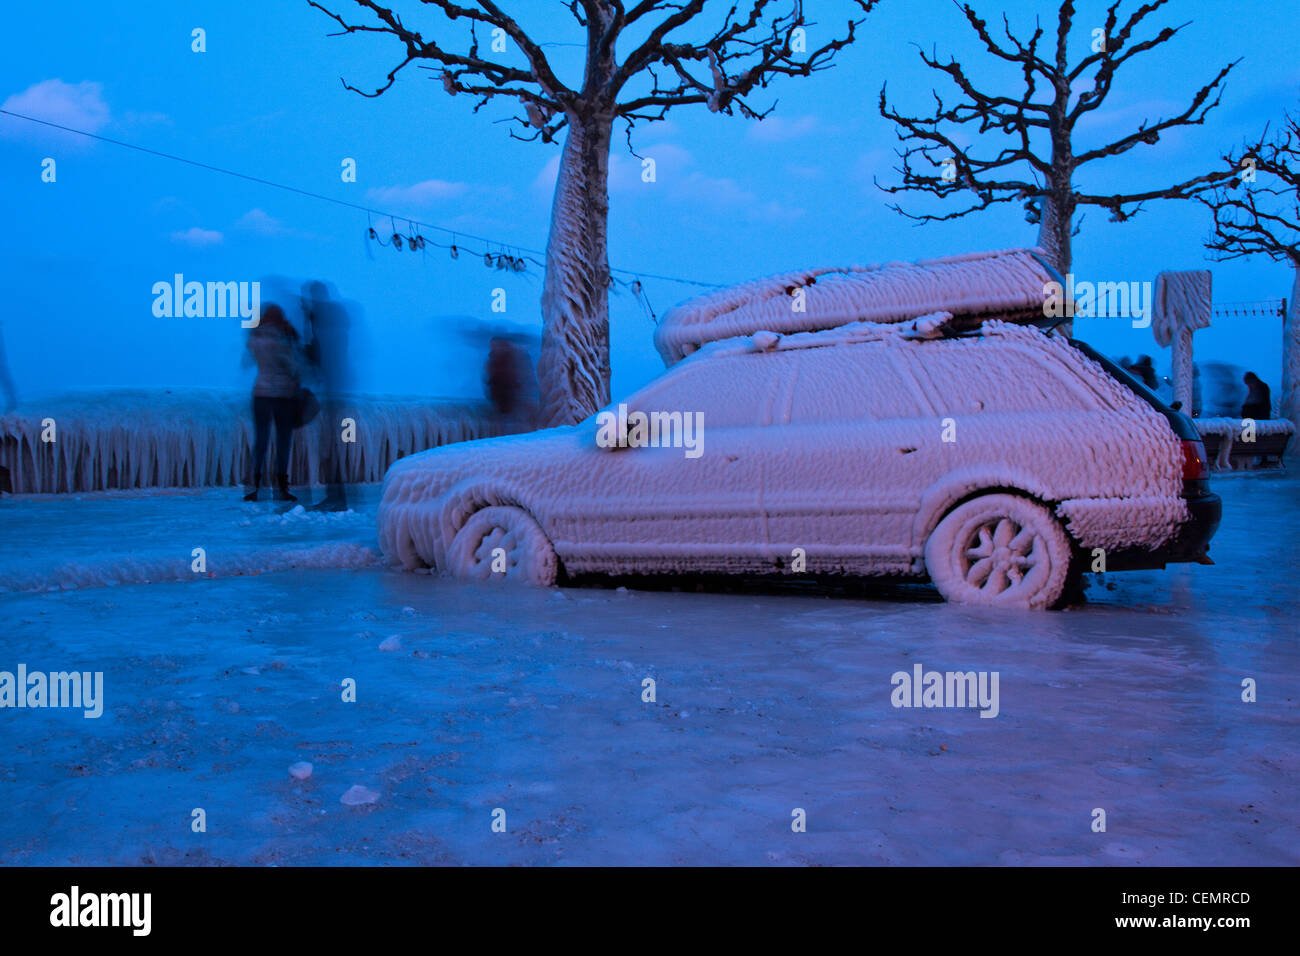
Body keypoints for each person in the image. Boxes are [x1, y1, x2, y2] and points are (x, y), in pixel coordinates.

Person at [301, 281, 353, 511]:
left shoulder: (320, 317)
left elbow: (316, 351)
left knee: (331, 443)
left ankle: (336, 497)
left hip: (332, 386)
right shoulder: (337, 318)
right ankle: (339, 495)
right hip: (339, 384)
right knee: (337, 442)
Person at [242, 303, 302, 502]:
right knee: (282, 443)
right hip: (283, 396)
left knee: (261, 442)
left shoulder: (255, 338)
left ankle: (253, 487)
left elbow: (247, 360)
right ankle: (281, 488)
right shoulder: (282, 338)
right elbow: (292, 366)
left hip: (260, 394)